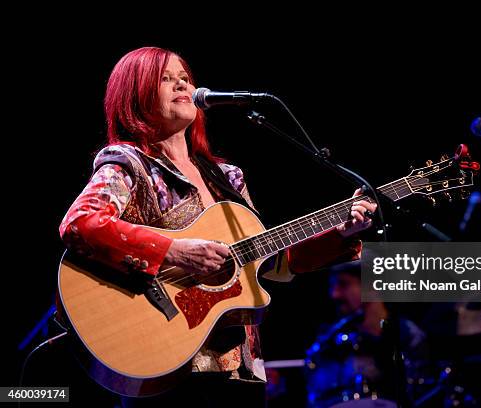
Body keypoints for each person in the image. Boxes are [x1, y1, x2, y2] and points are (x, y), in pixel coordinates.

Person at [58, 46, 376, 407]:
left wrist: (340, 232)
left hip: (240, 366)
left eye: (185, 78)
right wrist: (175, 251)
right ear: (136, 95)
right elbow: (81, 223)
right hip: (165, 357)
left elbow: (271, 262)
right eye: (166, 78)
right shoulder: (129, 165)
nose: (182, 84)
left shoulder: (227, 178)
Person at [303, 261, 428, 407]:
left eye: (343, 284)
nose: (334, 294)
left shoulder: (407, 334)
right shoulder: (331, 340)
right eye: (332, 286)